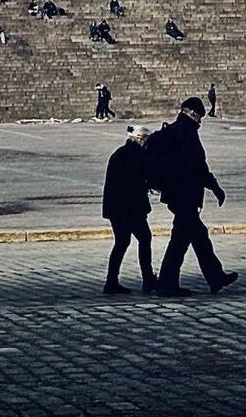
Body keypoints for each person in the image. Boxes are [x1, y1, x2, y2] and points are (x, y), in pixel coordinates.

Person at [151, 96, 238, 297]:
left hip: (176, 194)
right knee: (182, 241)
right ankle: (168, 283)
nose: (200, 121)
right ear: (191, 112)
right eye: (198, 116)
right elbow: (197, 165)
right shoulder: (185, 132)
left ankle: (214, 277)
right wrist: (215, 187)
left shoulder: (174, 130)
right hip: (185, 195)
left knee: (195, 237)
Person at [102, 125, 156, 295]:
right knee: (144, 238)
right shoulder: (135, 155)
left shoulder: (121, 153)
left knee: (122, 242)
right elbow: (139, 181)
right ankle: (147, 279)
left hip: (117, 208)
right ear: (140, 139)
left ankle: (111, 281)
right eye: (146, 140)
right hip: (130, 208)